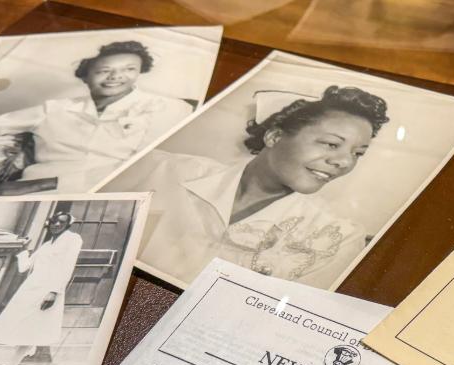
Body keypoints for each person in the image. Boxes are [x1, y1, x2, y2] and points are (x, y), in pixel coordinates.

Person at [104, 85, 390, 288]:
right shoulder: (159, 169)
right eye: (331, 143)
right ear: (275, 136)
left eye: (358, 153)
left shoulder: (336, 238)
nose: (344, 162)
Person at [0, 40, 193, 224]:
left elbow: (146, 167)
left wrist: (40, 185)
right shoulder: (54, 109)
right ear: (86, 76)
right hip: (23, 193)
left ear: (140, 73)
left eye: (128, 69)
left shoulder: (169, 108)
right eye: (104, 70)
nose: (117, 77)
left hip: (105, 196)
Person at [0, 211, 83, 365]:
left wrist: (54, 292)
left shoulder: (73, 239)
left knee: (28, 331)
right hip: (30, 289)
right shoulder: (45, 245)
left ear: (68, 225)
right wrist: (23, 249)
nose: (56, 224)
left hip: (47, 290)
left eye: (61, 222)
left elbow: (68, 267)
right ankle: (29, 348)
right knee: (23, 327)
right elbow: (24, 267)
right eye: (53, 221)